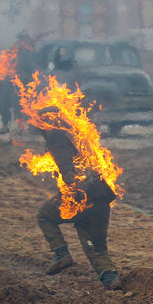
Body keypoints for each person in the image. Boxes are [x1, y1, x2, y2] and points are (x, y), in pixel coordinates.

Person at [35, 120, 122, 290]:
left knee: (44, 215)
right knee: (96, 246)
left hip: (82, 196)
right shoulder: (77, 135)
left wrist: (72, 195)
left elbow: (67, 169)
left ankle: (61, 254)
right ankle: (111, 279)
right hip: (101, 197)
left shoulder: (56, 136)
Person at [0, 33, 36, 134]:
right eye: (21, 39)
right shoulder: (13, 50)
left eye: (24, 39)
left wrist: (25, 76)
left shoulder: (30, 51)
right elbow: (6, 63)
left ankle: (22, 126)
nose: (21, 42)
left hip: (23, 81)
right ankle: (5, 125)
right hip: (10, 79)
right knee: (4, 102)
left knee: (19, 104)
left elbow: (32, 67)